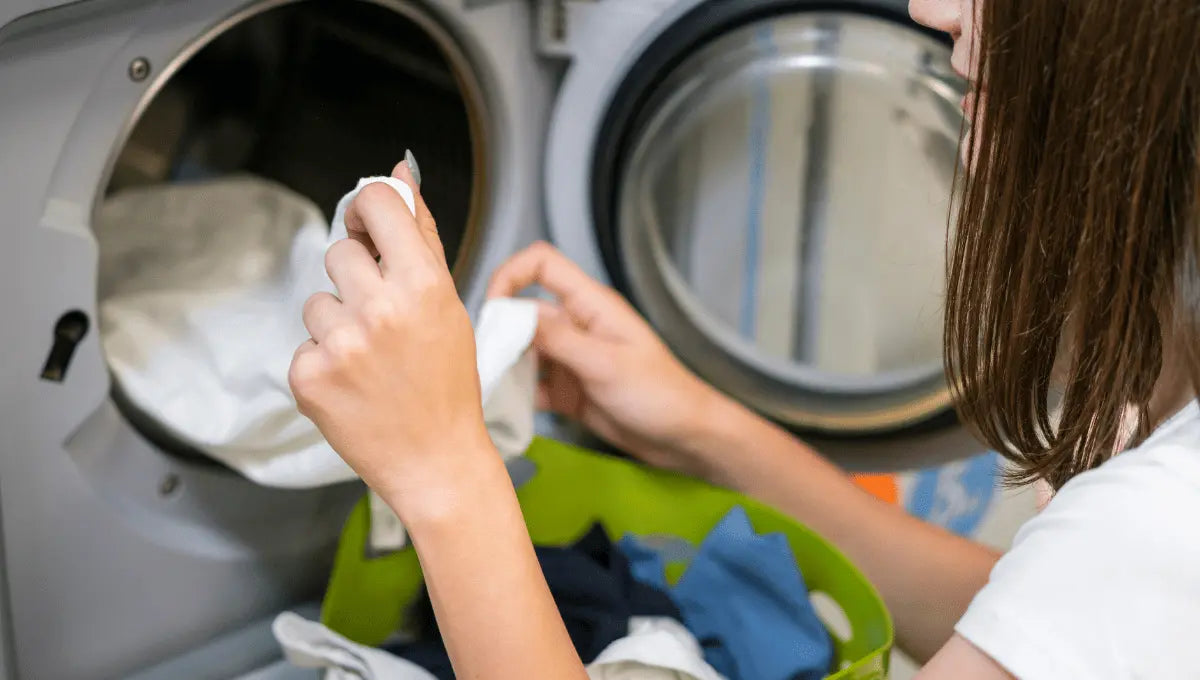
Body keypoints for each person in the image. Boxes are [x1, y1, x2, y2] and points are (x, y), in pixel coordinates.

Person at [287, 0, 1200, 677]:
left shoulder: (1160, 519)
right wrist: (699, 429)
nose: (929, 8)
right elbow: (1034, 622)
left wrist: (445, 476)